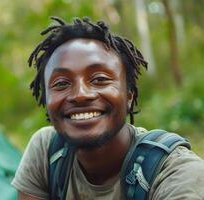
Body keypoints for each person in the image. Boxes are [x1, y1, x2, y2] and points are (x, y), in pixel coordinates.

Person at [11, 16, 204, 200]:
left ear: (129, 95)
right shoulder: (47, 150)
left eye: (99, 79)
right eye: (61, 83)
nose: (80, 94)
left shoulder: (177, 173)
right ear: (46, 99)